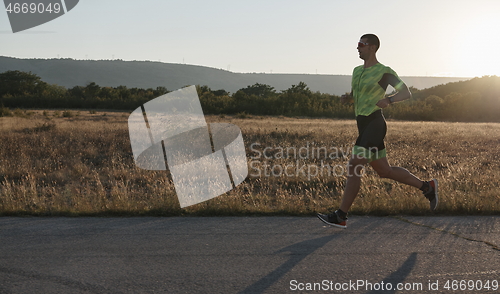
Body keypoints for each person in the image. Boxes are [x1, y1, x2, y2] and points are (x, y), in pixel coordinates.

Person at [317, 34, 438, 229]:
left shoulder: (384, 71)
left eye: (361, 45)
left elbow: (406, 92)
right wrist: (348, 99)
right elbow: (357, 96)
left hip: (375, 123)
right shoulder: (357, 71)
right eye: (357, 45)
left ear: (372, 47)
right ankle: (427, 187)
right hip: (363, 125)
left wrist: (389, 100)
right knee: (384, 171)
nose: (358, 48)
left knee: (354, 164)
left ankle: (341, 215)